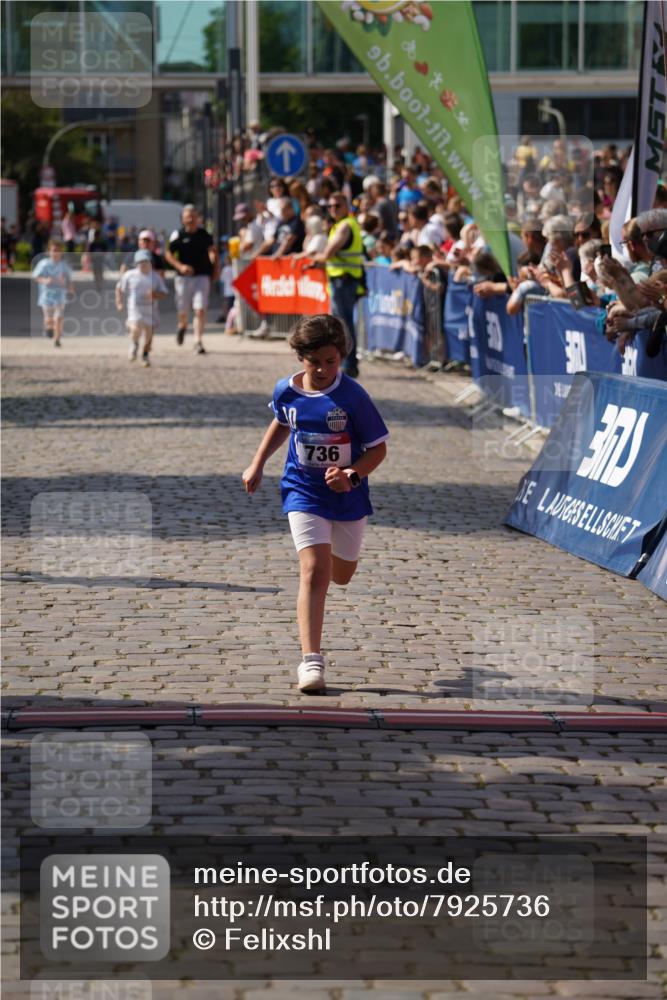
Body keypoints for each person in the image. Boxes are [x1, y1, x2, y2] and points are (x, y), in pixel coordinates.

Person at [242, 314, 388, 693]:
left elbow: (378, 449)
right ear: (299, 357)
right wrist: (258, 462)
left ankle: (338, 570)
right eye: (314, 362)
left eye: (330, 361)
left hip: (348, 495)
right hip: (302, 490)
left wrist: (351, 475)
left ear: (341, 357)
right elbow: (282, 421)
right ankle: (312, 663)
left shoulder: (353, 396)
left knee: (341, 575)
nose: (322, 369)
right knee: (314, 571)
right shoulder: (285, 391)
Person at [311, 193, 365, 379]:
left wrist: (315, 259)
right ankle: (347, 363)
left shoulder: (345, 226)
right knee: (341, 324)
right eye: (330, 206)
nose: (333, 209)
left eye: (337, 205)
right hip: (340, 280)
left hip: (345, 280)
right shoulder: (338, 226)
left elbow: (328, 253)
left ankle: (350, 364)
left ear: (346, 206)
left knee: (344, 325)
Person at [165, 204, 220, 354]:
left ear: (198, 219)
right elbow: (168, 254)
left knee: (200, 309)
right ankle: (182, 326)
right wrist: (180, 266)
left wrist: (216, 268)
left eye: (193, 217)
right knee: (183, 310)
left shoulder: (204, 235)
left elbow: (213, 252)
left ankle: (198, 341)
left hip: (201, 276)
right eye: (187, 217)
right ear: (183, 219)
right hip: (183, 278)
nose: (190, 220)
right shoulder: (178, 234)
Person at [115, 248, 168, 367]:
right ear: (136, 263)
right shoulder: (129, 275)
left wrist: (155, 294)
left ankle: (145, 355)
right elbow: (119, 288)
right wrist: (119, 302)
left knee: (149, 337)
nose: (143, 264)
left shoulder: (155, 277)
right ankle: (134, 344)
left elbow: (164, 293)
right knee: (135, 329)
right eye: (140, 262)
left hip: (150, 312)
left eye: (146, 261)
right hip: (135, 311)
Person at [32, 239, 74, 347]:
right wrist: (44, 280)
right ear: (49, 252)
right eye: (53, 250)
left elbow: (70, 279)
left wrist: (71, 289)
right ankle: (49, 328)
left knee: (59, 317)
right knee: (49, 319)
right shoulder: (43, 264)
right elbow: (35, 276)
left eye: (58, 250)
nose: (55, 253)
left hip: (60, 295)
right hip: (46, 295)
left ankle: (57, 339)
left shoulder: (64, 265)